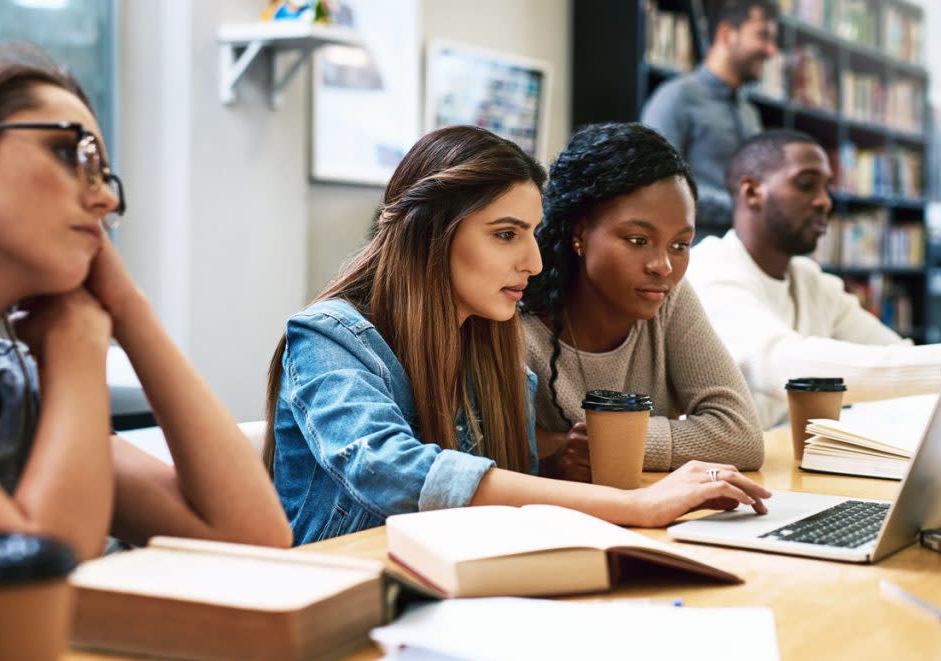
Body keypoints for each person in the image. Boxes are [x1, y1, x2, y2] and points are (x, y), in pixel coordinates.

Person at [264, 125, 771, 544]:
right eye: (506, 234)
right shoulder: (328, 339)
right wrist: (635, 505)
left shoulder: (489, 342)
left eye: (532, 233)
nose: (533, 261)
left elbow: (511, 498)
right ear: (429, 234)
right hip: (335, 602)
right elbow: (394, 472)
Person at [0, 48, 291, 560]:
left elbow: (253, 535)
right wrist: (79, 344)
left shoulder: (14, 390)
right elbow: (35, 582)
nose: (103, 199)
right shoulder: (58, 360)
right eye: (67, 153)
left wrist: (128, 307)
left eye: (103, 175)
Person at [687, 129, 941, 428]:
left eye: (827, 187)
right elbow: (782, 367)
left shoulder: (810, 281)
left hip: (780, 463)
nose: (825, 201)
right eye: (806, 184)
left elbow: (896, 354)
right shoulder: (709, 270)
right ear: (752, 192)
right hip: (715, 471)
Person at [521, 123, 764, 484]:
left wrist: (612, 443)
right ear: (579, 233)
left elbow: (742, 436)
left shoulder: (668, 298)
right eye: (638, 240)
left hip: (649, 518)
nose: (663, 266)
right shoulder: (514, 315)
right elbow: (489, 448)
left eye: (680, 245)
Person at [640, 0, 779, 239]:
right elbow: (657, 184)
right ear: (727, 34)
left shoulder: (750, 113)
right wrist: (745, 207)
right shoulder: (675, 98)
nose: (771, 51)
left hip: (747, 254)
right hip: (695, 259)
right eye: (762, 35)